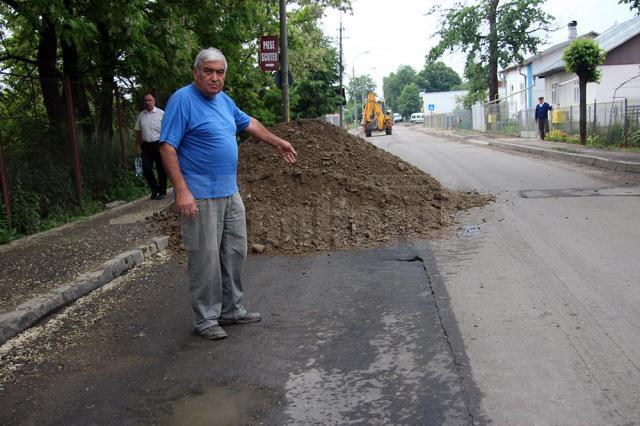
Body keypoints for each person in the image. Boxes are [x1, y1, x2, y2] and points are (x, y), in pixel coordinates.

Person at [159, 47, 297, 340]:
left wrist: (277, 142)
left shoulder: (224, 101)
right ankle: (206, 318)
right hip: (198, 196)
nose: (214, 77)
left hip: (229, 192)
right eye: (208, 71)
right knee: (204, 259)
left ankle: (231, 309)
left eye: (220, 72)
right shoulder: (182, 100)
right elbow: (167, 147)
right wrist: (181, 191)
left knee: (235, 252)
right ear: (196, 73)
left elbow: (248, 123)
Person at [135, 91, 167, 199]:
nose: (148, 102)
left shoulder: (161, 114)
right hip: (146, 145)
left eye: (150, 100)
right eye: (146, 100)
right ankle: (154, 189)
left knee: (161, 169)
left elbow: (167, 130)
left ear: (154, 101)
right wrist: (137, 145)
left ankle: (162, 191)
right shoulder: (141, 115)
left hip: (159, 144)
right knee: (147, 169)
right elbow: (139, 132)